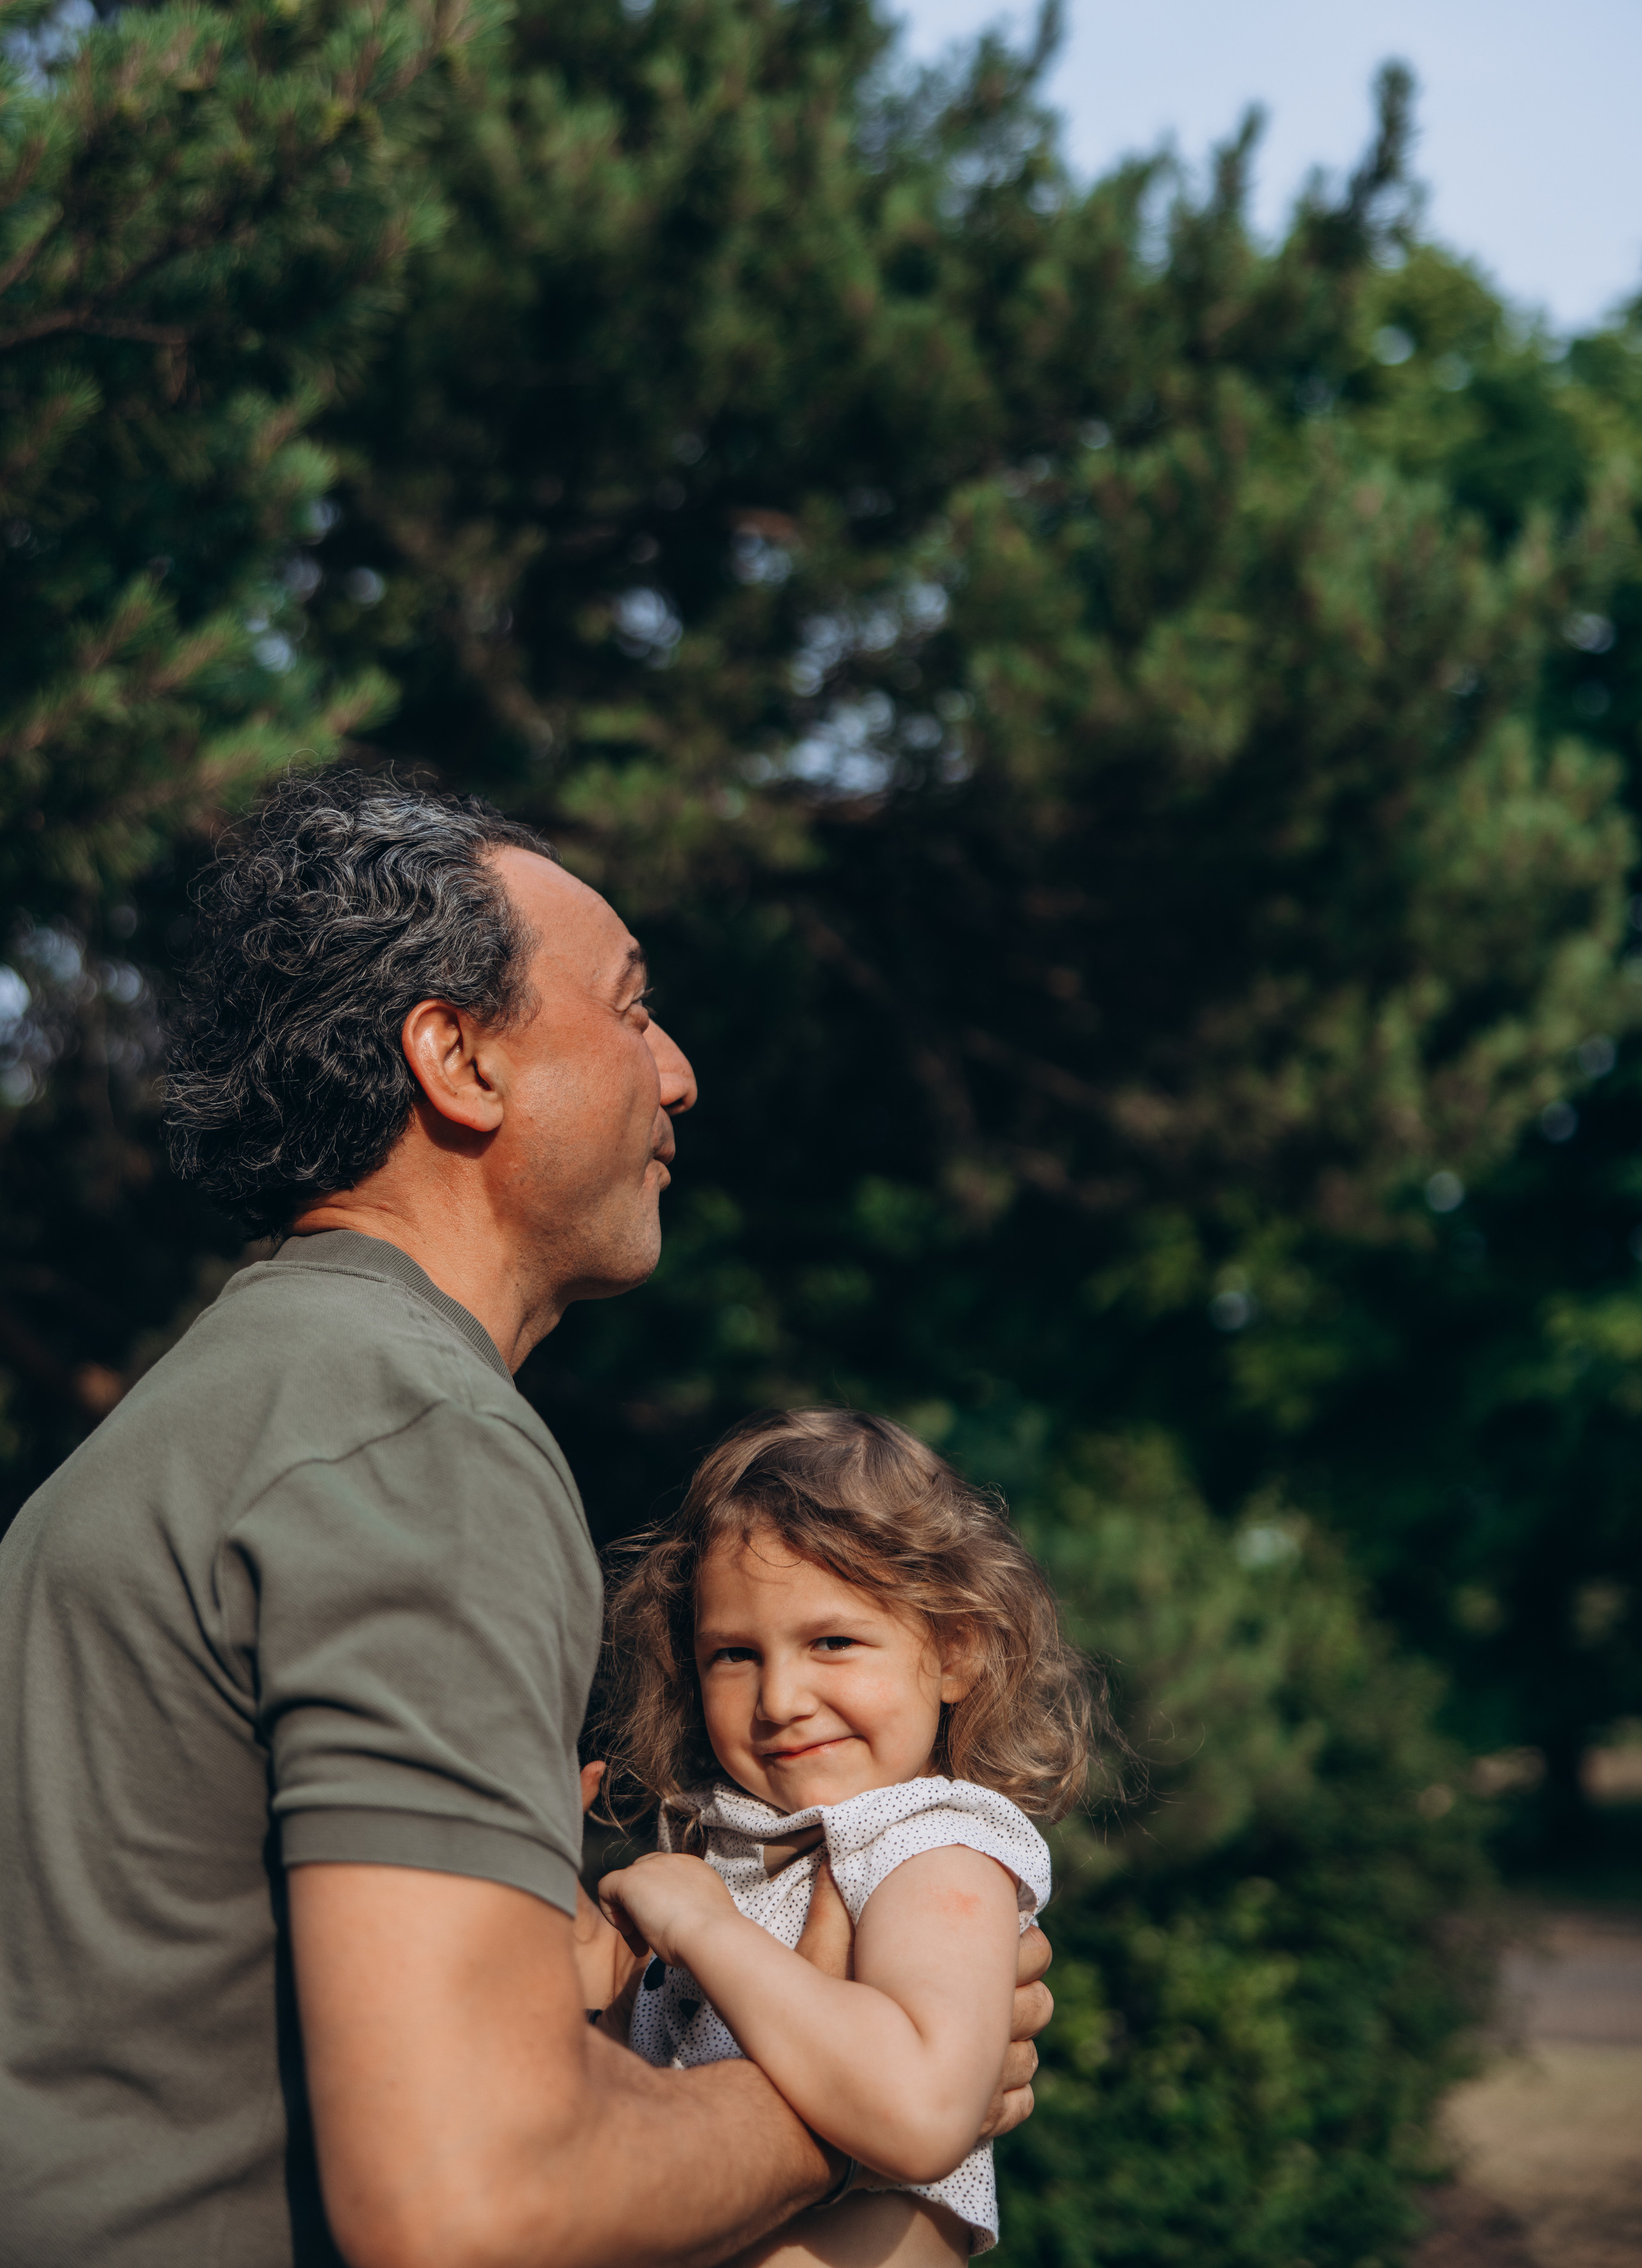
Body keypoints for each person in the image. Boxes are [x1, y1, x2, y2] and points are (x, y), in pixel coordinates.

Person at [0, 769, 1052, 2268]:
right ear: (459, 1058)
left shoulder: (199, 1420)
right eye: (630, 1009)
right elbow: (465, 2198)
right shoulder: (415, 1439)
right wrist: (870, 2104)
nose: (679, 1072)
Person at [582, 1410, 1096, 2267]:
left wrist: (708, 1932)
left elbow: (922, 2108)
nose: (780, 1696)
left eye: (833, 1641)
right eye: (734, 1654)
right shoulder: (730, 1843)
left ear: (955, 1649)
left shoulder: (934, 1846)